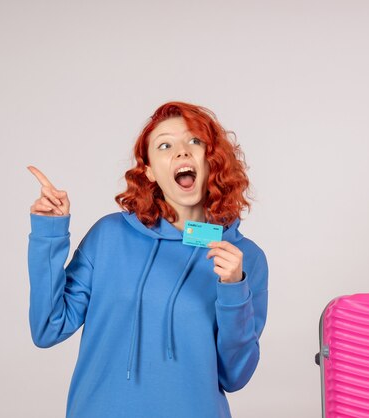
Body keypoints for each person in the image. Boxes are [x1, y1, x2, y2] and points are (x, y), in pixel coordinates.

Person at [26, 101, 268, 418]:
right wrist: (49, 233)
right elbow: (47, 328)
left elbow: (234, 377)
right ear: (150, 171)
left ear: (211, 160)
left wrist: (234, 289)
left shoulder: (244, 259)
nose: (182, 152)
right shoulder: (109, 236)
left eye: (194, 141)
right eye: (165, 145)